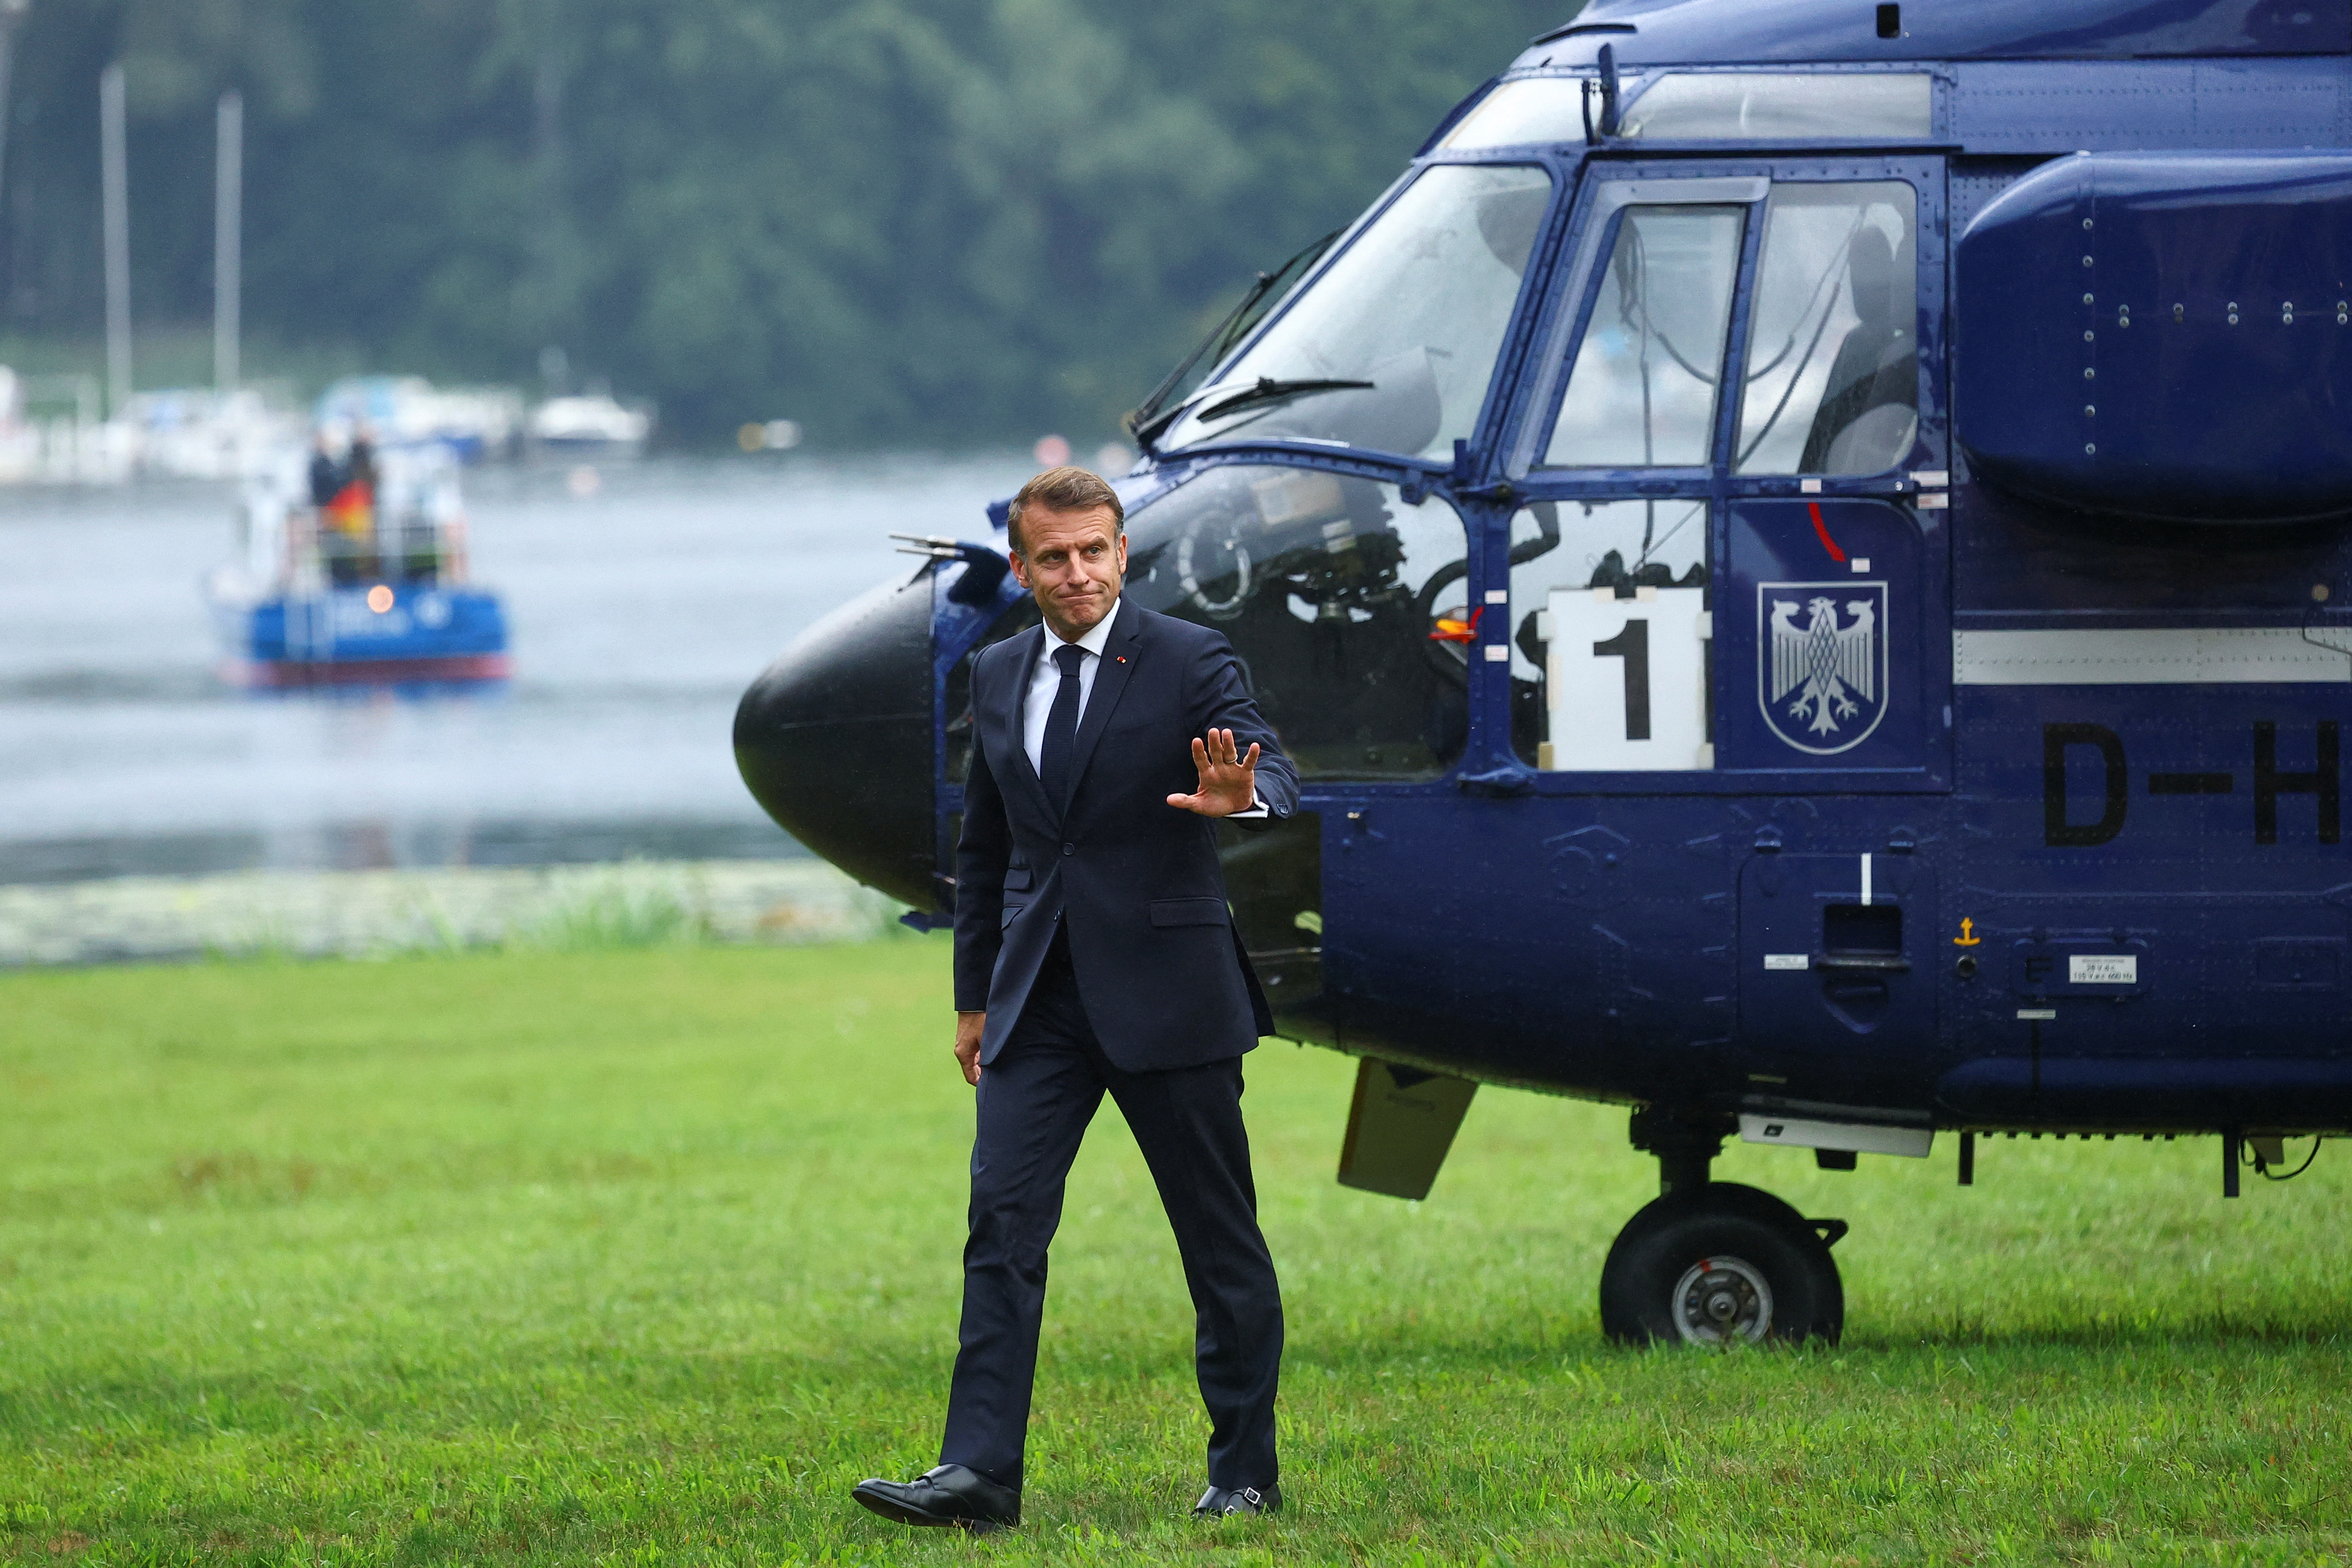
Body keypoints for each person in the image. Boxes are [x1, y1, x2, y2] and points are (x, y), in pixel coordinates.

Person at [853, 465, 1299, 1533]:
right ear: (1024, 567)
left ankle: (1245, 1470)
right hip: (1037, 1000)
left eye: (1095, 550)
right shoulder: (1000, 670)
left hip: (1171, 995)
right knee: (1000, 1224)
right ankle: (977, 1477)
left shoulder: (1191, 657)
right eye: (1054, 556)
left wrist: (1249, 796)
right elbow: (988, 843)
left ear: (1121, 553)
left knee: (1217, 1239)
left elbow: (1270, 758)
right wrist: (974, 996)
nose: (1079, 571)